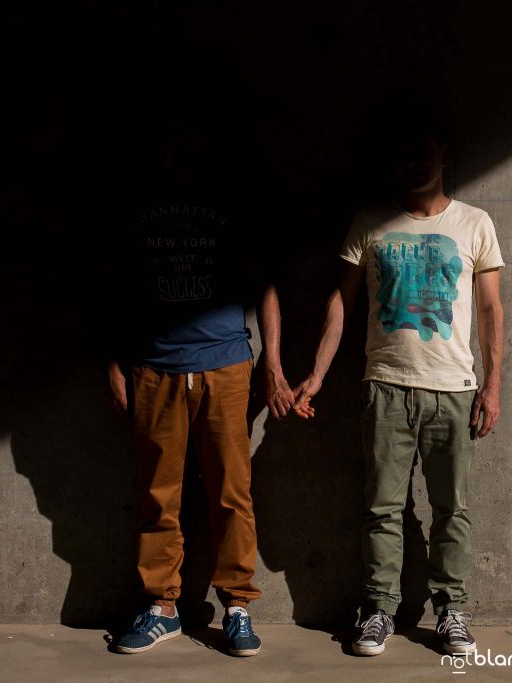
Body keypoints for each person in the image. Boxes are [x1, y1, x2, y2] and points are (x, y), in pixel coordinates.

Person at [291, 115, 504, 656]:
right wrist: (316, 374)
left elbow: (490, 307)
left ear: (444, 155)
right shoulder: (370, 222)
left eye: (423, 150)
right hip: (385, 386)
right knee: (382, 508)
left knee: (451, 509)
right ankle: (379, 609)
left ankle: (451, 610)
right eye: (403, 153)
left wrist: (493, 383)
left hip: (454, 388)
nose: (414, 162)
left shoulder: (475, 223)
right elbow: (340, 302)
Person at [104, 125, 291, 656]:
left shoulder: (235, 206)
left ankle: (236, 607)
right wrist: (112, 364)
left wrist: (273, 365)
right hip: (154, 368)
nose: (184, 150)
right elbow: (116, 290)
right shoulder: (137, 206)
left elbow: (266, 288)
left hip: (227, 367)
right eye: (174, 141)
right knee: (159, 495)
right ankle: (161, 608)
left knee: (232, 492)